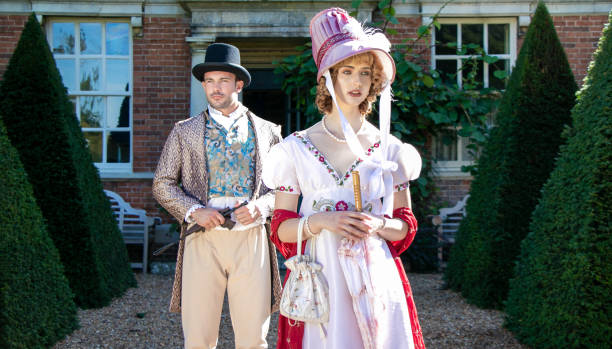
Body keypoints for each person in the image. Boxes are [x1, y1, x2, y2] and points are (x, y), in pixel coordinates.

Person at [262, 8, 426, 349]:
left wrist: (376, 225)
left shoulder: (391, 150)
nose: (356, 82)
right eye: (347, 71)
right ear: (329, 78)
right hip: (321, 281)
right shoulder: (295, 149)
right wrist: (322, 221)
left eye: (365, 73)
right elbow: (279, 229)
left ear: (374, 81)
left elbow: (405, 227)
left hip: (377, 279)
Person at [153, 42, 282, 349]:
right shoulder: (185, 131)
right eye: (209, 81)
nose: (215, 88)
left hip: (250, 238)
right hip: (202, 238)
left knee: (253, 337)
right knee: (198, 337)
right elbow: (163, 183)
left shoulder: (267, 131)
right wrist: (194, 210)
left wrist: (262, 208)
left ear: (239, 83)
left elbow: (287, 190)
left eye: (223, 80)